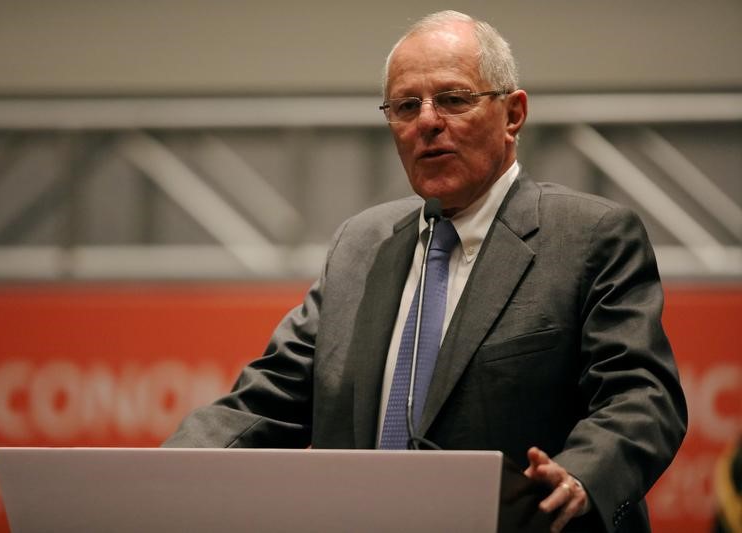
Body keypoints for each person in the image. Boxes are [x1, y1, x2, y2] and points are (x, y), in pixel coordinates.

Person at [164, 10, 687, 533]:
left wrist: (581, 473)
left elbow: (642, 394)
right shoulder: (359, 245)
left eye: (454, 99)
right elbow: (266, 401)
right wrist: (157, 473)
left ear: (513, 114)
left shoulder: (589, 235)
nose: (428, 121)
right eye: (406, 106)